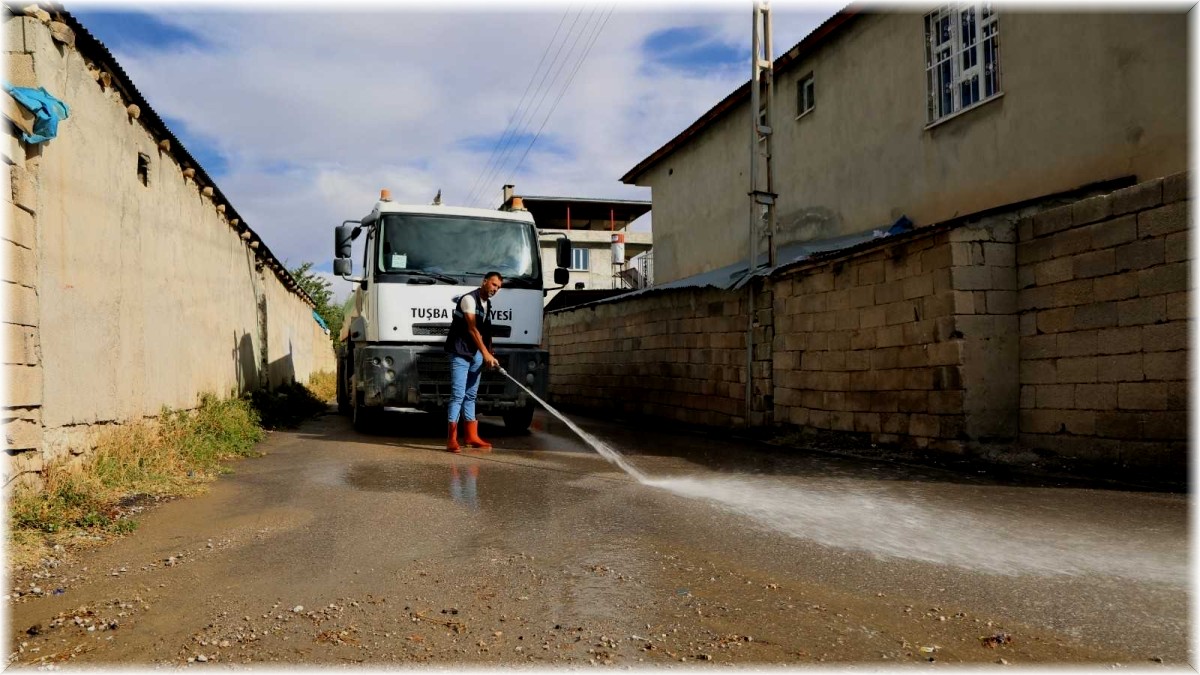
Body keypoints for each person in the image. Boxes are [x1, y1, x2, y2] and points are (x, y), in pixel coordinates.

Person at [443, 272, 502, 452]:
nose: (495, 289)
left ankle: (471, 436)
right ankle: (452, 439)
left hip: (476, 353)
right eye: (493, 285)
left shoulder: (487, 304)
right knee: (458, 395)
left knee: (471, 395)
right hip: (460, 351)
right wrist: (485, 354)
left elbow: (486, 332)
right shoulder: (469, 299)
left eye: (499, 287)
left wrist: (490, 353)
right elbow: (473, 329)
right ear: (484, 282)